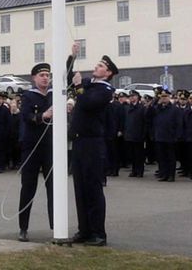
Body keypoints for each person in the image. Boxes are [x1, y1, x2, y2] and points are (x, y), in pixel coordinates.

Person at [69, 54, 117, 247]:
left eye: (100, 66)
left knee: (93, 188)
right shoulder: (90, 84)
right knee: (80, 188)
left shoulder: (105, 90)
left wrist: (79, 86)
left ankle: (98, 233)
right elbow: (69, 77)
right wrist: (72, 56)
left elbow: (88, 103)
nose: (95, 67)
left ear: (108, 73)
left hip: (92, 143)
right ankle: (85, 230)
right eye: (97, 64)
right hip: (80, 142)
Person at [17, 62, 54, 242]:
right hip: (31, 147)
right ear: (34, 78)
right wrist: (42, 116)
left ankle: (56, 226)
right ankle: (23, 227)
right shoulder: (29, 96)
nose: (45, 78)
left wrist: (72, 56)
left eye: (47, 75)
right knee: (28, 188)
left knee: (53, 188)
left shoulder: (54, 95)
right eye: (42, 75)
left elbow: (68, 77)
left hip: (50, 147)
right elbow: (26, 116)